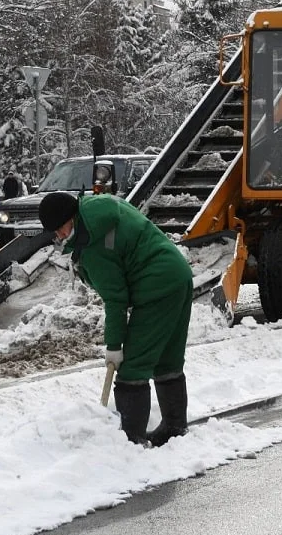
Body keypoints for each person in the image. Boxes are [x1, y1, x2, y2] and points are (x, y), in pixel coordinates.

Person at [39, 191, 193, 447]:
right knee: (167, 359)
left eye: (60, 229)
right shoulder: (96, 210)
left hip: (156, 287)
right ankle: (174, 428)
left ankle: (131, 442)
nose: (59, 236)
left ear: (70, 218)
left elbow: (116, 299)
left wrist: (114, 347)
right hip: (178, 276)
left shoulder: (93, 244)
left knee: (132, 367)